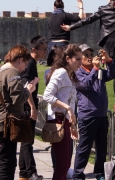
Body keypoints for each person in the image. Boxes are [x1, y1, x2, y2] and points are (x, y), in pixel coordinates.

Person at [72, 44, 115, 180]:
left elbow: (114, 73)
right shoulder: (76, 73)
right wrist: (96, 69)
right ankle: (77, 174)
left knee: (101, 148)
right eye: (86, 55)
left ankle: (99, 172)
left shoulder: (97, 71)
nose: (90, 57)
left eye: (91, 54)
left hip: (102, 115)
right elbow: (85, 85)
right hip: (87, 116)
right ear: (79, 58)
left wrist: (108, 60)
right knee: (84, 148)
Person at [43, 44, 81, 180]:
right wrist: (67, 108)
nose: (80, 62)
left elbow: (70, 100)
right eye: (77, 59)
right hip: (57, 121)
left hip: (64, 121)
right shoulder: (61, 73)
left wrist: (72, 124)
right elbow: (47, 95)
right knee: (62, 164)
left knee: (64, 164)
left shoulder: (70, 74)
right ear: (67, 58)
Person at [0, 45, 37, 180]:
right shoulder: (12, 72)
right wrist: (29, 90)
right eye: (25, 63)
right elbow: (18, 99)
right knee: (7, 164)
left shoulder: (2, 70)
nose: (25, 67)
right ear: (20, 60)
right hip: (6, 124)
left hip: (2, 122)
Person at [19, 36, 47, 180]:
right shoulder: (30, 63)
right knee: (27, 141)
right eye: (43, 49)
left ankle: (23, 173)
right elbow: (26, 86)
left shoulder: (32, 63)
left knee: (26, 140)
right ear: (34, 49)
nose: (45, 52)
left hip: (27, 106)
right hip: (27, 107)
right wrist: (33, 108)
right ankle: (31, 172)